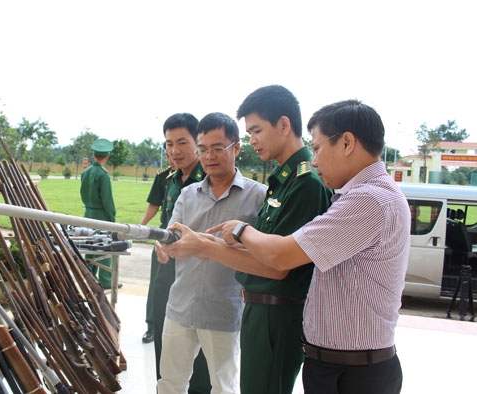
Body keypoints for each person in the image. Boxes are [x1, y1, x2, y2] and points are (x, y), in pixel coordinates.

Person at [162, 99, 410, 394]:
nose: (315, 160)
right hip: (335, 359)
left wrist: (237, 231)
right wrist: (208, 242)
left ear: (346, 143)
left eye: (317, 148)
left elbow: (279, 257)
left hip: (351, 366)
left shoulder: (367, 200)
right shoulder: (351, 195)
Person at [159, 85, 332, 394]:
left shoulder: (299, 184)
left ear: (282, 125)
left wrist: (210, 245)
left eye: (256, 130)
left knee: (229, 385)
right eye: (203, 149)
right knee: (174, 380)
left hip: (267, 312)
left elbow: (278, 264)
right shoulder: (283, 181)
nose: (253, 140)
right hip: (235, 308)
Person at [156, 112, 267, 394]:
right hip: (180, 306)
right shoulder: (188, 194)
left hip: (223, 310)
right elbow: (174, 237)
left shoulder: (258, 196)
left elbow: (264, 250)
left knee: (223, 385)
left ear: (236, 148)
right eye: (203, 150)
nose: (209, 156)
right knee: (170, 381)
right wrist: (165, 245)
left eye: (218, 148)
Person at [151, 112, 211, 394]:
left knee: (198, 351)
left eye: (182, 142)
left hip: (199, 273)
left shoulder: (211, 178)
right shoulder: (168, 179)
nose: (174, 151)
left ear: (198, 141)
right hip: (165, 268)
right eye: (168, 143)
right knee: (164, 340)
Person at [139, 148, 176, 344]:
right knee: (158, 282)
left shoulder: (200, 175)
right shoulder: (164, 177)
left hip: (187, 236)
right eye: (168, 156)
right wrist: (141, 226)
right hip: (164, 233)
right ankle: (153, 326)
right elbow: (154, 203)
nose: (172, 160)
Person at [79, 138, 120, 289]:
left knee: (90, 248)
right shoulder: (103, 175)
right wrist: (112, 216)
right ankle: (106, 280)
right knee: (104, 248)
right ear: (107, 157)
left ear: (94, 154)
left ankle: (90, 279)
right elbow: (107, 200)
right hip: (101, 215)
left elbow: (82, 193)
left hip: (88, 212)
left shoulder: (86, 172)